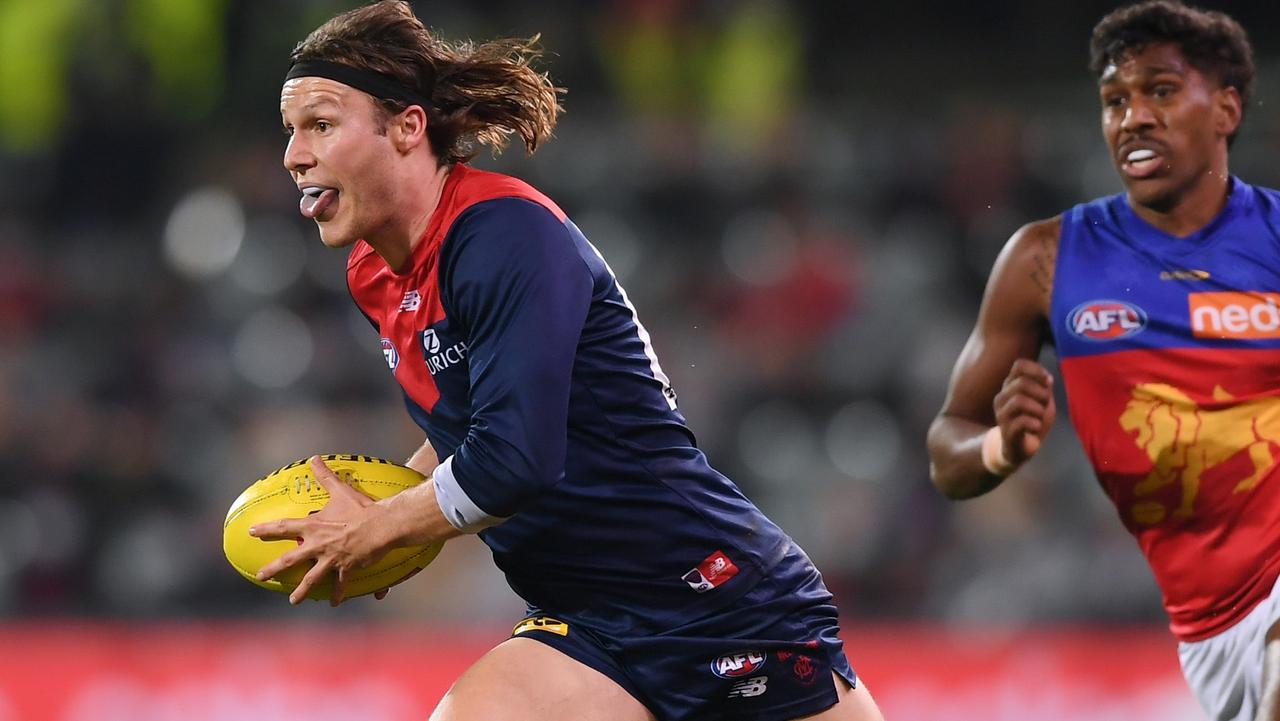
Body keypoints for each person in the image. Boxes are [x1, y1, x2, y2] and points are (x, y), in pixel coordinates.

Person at [246, 2, 885, 720]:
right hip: (587, 623)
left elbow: (517, 459)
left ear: (407, 127)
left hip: (718, 598)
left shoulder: (504, 233)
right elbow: (474, 420)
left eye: (321, 125)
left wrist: (385, 526)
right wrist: (386, 509)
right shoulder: (374, 272)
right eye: (291, 132)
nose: (294, 155)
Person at [927, 2, 1280, 720]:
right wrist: (1000, 446)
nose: (1133, 117)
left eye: (1160, 91)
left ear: (1227, 110)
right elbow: (946, 447)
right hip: (1216, 626)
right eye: (1115, 100)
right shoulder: (1046, 260)